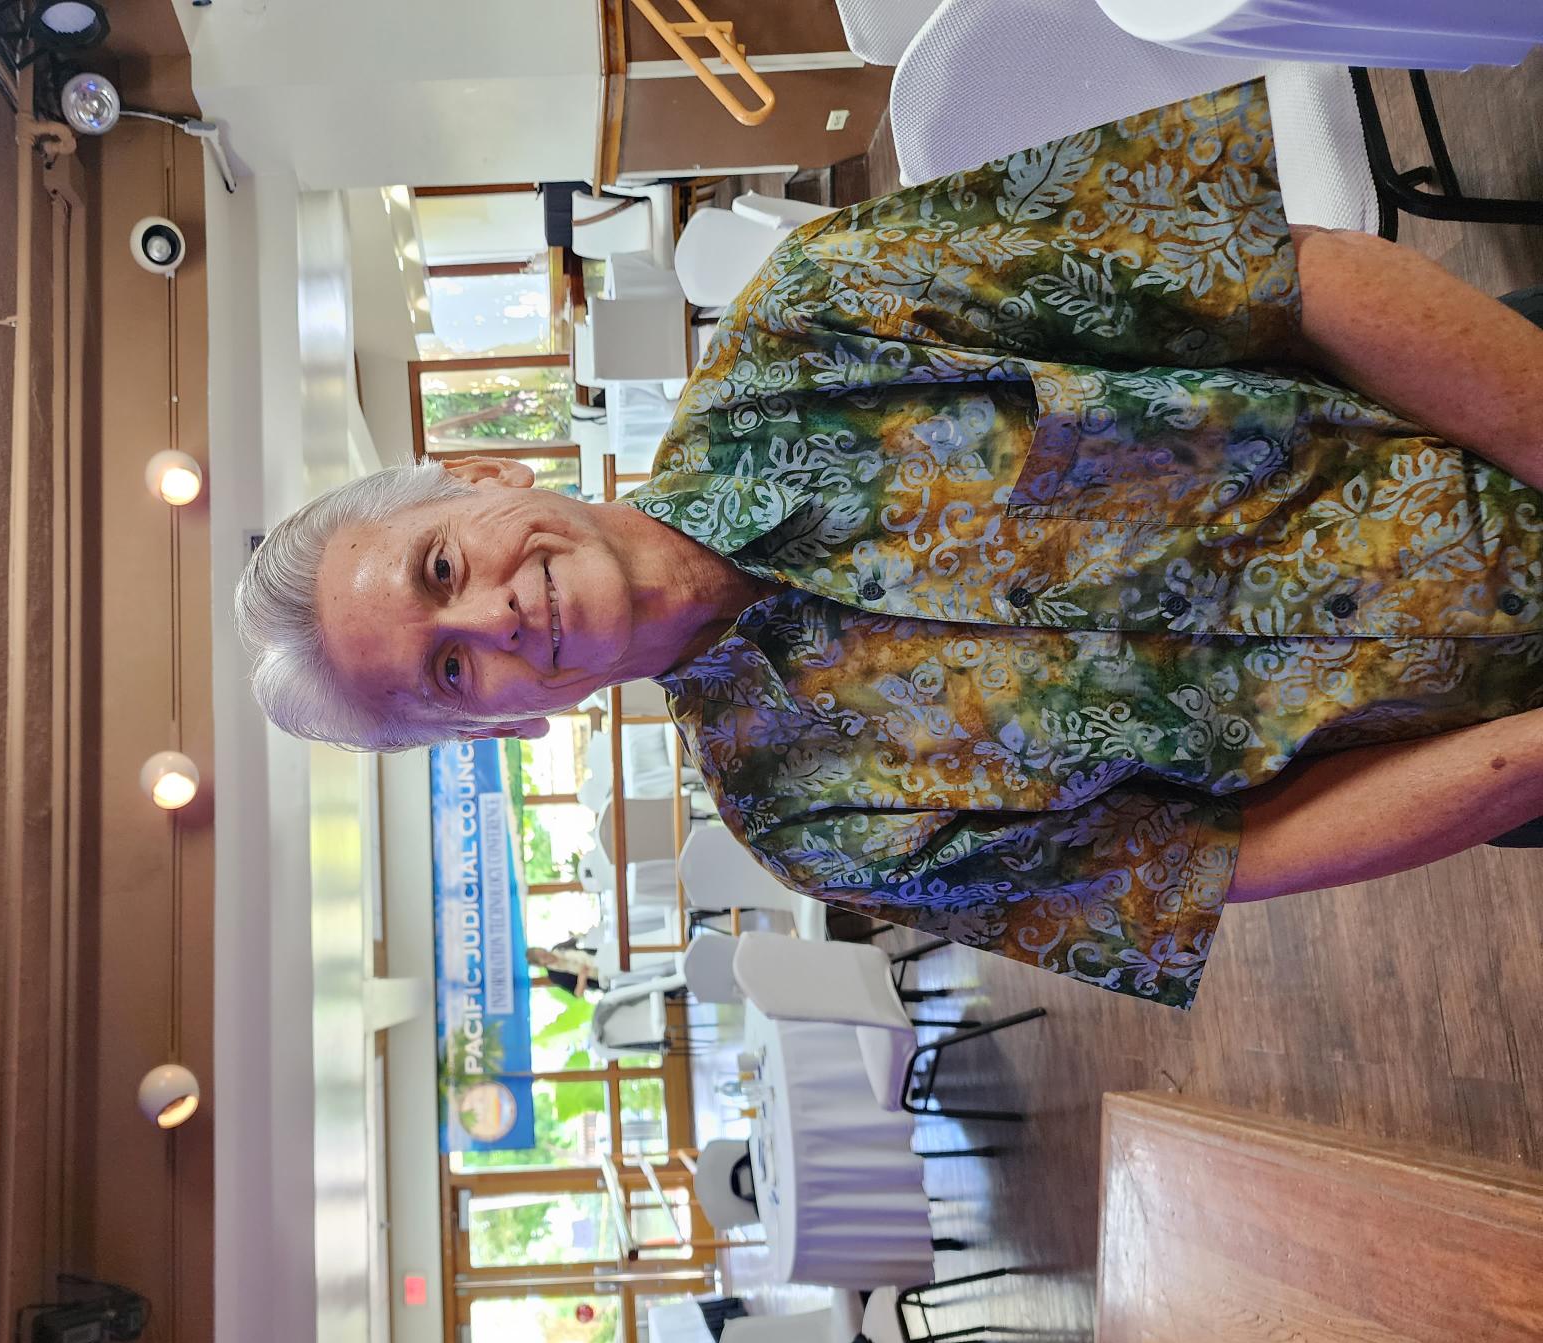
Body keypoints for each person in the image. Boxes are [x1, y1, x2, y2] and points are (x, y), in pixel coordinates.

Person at [236, 81, 1543, 1007]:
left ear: (477, 478)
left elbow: (1284, 274)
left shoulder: (815, 320)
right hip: (1500, 744)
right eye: (449, 676)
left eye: (440, 572)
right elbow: (1225, 862)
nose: (491, 622)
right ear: (504, 735)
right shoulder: (817, 829)